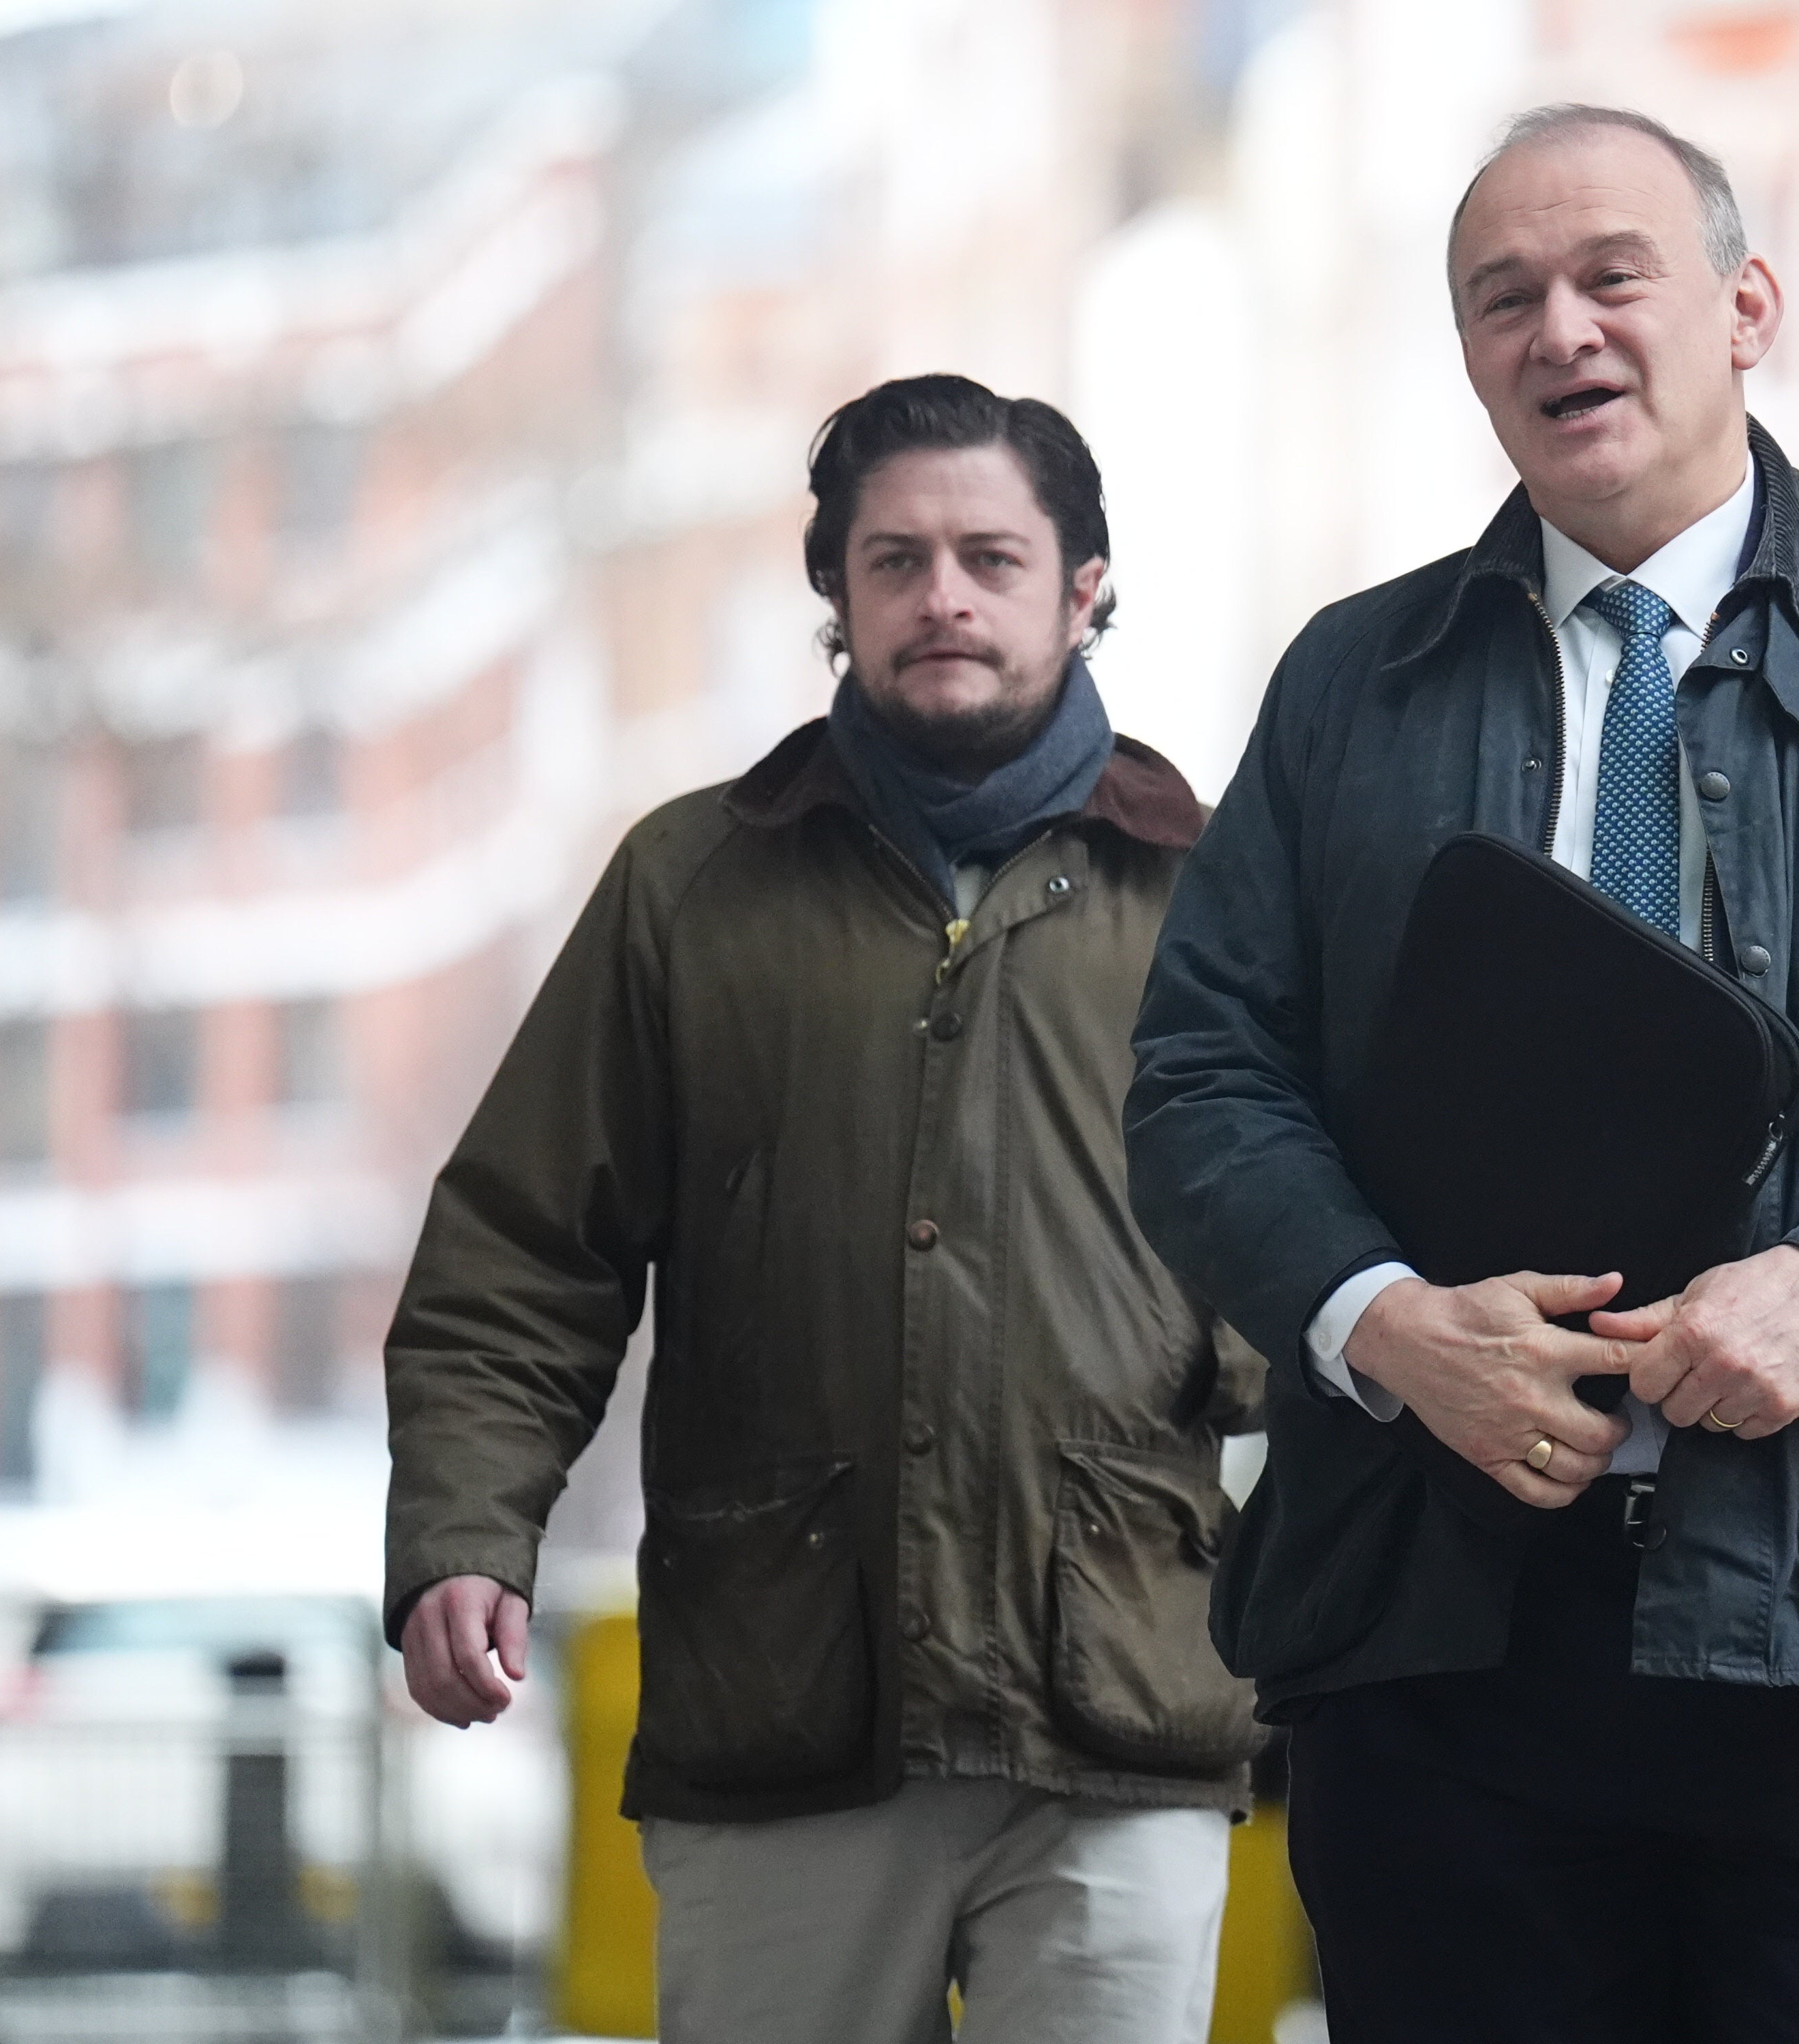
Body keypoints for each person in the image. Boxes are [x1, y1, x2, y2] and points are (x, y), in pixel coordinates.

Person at [1124, 106, 1799, 2043]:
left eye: (1613, 276)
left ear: (1745, 306)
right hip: (1447, 1645)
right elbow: (1203, 1079)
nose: (1561, 331)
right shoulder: (1352, 683)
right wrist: (1383, 1325)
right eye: (1503, 297)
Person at [384, 374, 1265, 2044]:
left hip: (1120, 1704)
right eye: (896, 560)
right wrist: (465, 1534)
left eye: (991, 559)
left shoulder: (1215, 895)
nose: (943, 598)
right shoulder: (689, 887)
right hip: (781, 1702)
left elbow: (1325, 1253)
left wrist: (1204, 1363)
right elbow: (521, 1255)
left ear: (1081, 588)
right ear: (835, 594)